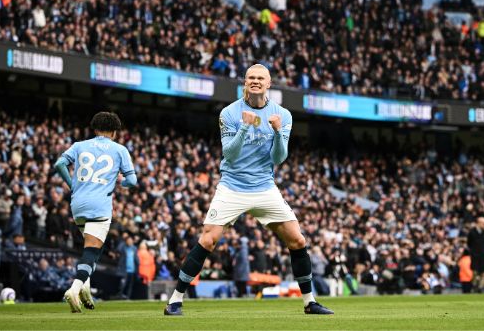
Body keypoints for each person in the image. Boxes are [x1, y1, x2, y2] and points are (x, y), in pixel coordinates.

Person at [164, 64, 333, 315]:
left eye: (260, 78)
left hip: (265, 187)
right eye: (251, 78)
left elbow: (279, 158)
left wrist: (277, 132)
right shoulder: (230, 113)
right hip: (232, 186)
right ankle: (174, 301)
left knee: (297, 239)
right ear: (245, 82)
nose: (255, 81)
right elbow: (229, 155)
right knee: (208, 239)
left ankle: (309, 302)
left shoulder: (282, 115)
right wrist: (245, 127)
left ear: (269, 83)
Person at [54, 112, 138, 312]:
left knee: (91, 250)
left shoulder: (79, 145)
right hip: (99, 206)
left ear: (94, 129)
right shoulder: (119, 150)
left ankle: (86, 289)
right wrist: (123, 183)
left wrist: (71, 185)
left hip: (78, 204)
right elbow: (132, 181)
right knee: (92, 250)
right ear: (115, 132)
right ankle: (74, 289)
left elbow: (59, 164)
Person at [466, 217, 484, 292]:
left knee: (483, 272)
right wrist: (473, 252)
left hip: (483, 256)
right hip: (475, 256)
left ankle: (480, 288)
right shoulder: (472, 232)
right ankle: (474, 287)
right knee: (475, 273)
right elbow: (469, 243)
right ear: (479, 223)